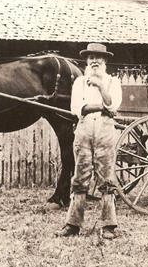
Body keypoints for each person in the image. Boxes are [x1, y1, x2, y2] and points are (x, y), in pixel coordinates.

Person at [59, 43, 122, 239]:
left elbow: (112, 106)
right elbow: (77, 108)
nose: (95, 61)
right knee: (80, 177)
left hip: (105, 130)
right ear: (86, 61)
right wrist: (101, 106)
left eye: (99, 57)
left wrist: (101, 87)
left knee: (106, 177)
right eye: (91, 57)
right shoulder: (79, 83)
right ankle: (73, 224)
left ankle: (109, 225)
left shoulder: (113, 82)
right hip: (84, 130)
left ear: (105, 61)